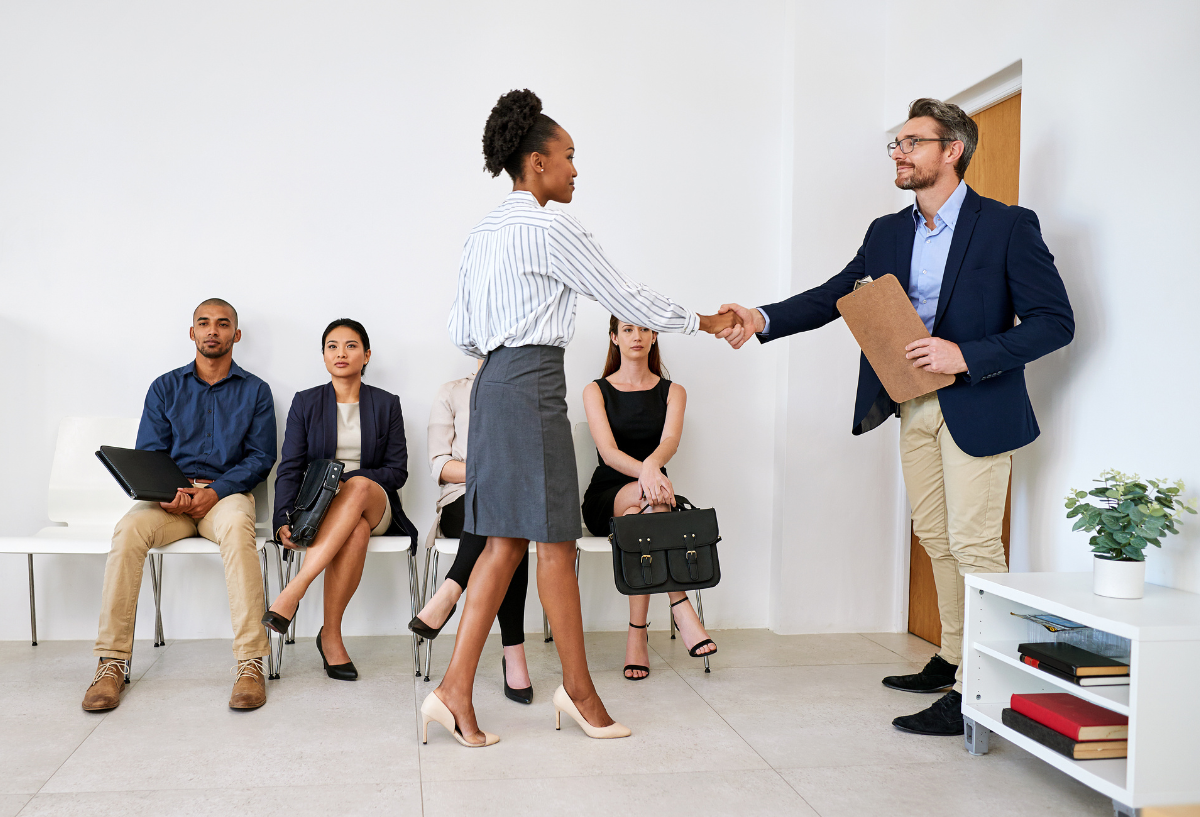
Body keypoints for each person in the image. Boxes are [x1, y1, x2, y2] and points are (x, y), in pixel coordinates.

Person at [717, 98, 1074, 738]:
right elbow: (836, 294)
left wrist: (964, 354)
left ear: (951, 150)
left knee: (973, 545)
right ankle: (955, 654)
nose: (899, 153)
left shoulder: (1007, 226)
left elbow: (1055, 323)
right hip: (912, 403)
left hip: (981, 404)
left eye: (912, 142)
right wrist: (761, 317)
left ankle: (975, 691)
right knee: (936, 537)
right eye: (896, 144)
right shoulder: (888, 232)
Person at [421, 88, 739, 748]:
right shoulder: (551, 227)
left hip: (495, 385)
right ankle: (579, 692)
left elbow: (461, 331)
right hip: (531, 386)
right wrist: (703, 320)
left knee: (507, 543)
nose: (574, 170)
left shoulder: (481, 232)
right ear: (535, 163)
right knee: (554, 543)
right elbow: (624, 295)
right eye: (568, 157)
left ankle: (455, 691)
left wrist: (507, 353)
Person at [83, 298, 277, 711]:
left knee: (239, 532)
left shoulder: (256, 391)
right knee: (128, 530)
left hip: (224, 497)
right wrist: (170, 493)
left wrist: (215, 491)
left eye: (222, 325)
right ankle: (111, 662)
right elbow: (150, 452)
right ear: (192, 333)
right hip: (169, 500)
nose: (212, 331)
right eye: (203, 324)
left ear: (235, 335)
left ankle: (250, 664)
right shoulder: (164, 387)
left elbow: (261, 457)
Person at [262, 319, 418, 680]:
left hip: (376, 503)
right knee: (356, 532)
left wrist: (344, 484)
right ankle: (330, 635)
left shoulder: (386, 404)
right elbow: (290, 467)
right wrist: (282, 518)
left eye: (350, 346)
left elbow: (397, 471)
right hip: (323, 512)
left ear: (366, 355)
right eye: (332, 346)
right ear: (323, 356)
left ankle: (293, 591)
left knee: (360, 486)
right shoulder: (306, 403)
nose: (341, 353)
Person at [582, 316, 716, 680]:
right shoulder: (596, 391)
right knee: (652, 505)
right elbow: (608, 453)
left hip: (653, 494)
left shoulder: (674, 392)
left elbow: (669, 443)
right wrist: (648, 475)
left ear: (655, 335)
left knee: (647, 510)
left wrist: (652, 469)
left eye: (643, 328)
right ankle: (681, 605)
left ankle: (636, 637)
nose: (636, 336)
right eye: (627, 329)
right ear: (614, 338)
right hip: (607, 493)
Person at [411, 359, 534, 703]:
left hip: (512, 501)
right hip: (461, 500)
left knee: (506, 521)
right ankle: (515, 654)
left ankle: (450, 590)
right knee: (506, 526)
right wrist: (488, 472)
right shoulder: (452, 391)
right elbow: (440, 464)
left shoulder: (525, 390)